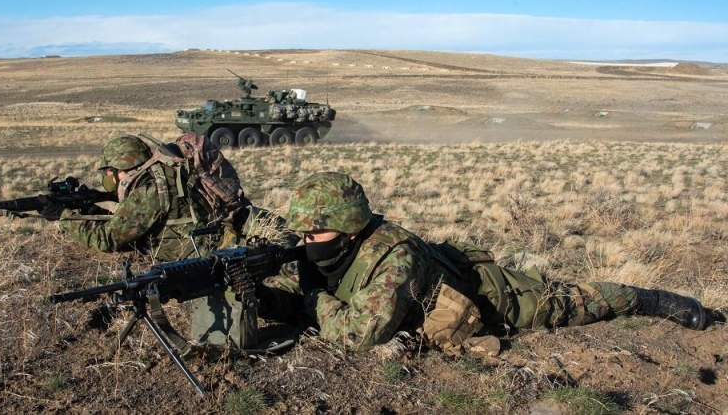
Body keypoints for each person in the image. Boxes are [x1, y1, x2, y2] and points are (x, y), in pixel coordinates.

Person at [259, 172, 710, 353]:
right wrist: (262, 298)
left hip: (496, 299)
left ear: (351, 228)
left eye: (313, 234)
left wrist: (313, 294)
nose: (306, 244)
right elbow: (304, 296)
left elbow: (359, 334)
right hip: (438, 291)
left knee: (572, 302)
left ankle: (653, 299)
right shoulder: (333, 246)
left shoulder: (392, 255)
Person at [39, 133, 267, 262]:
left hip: (197, 256)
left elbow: (108, 240)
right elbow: (131, 223)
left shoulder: (147, 191)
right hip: (208, 237)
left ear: (122, 165)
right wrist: (94, 212)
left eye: (109, 171)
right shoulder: (164, 171)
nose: (108, 177)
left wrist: (63, 216)